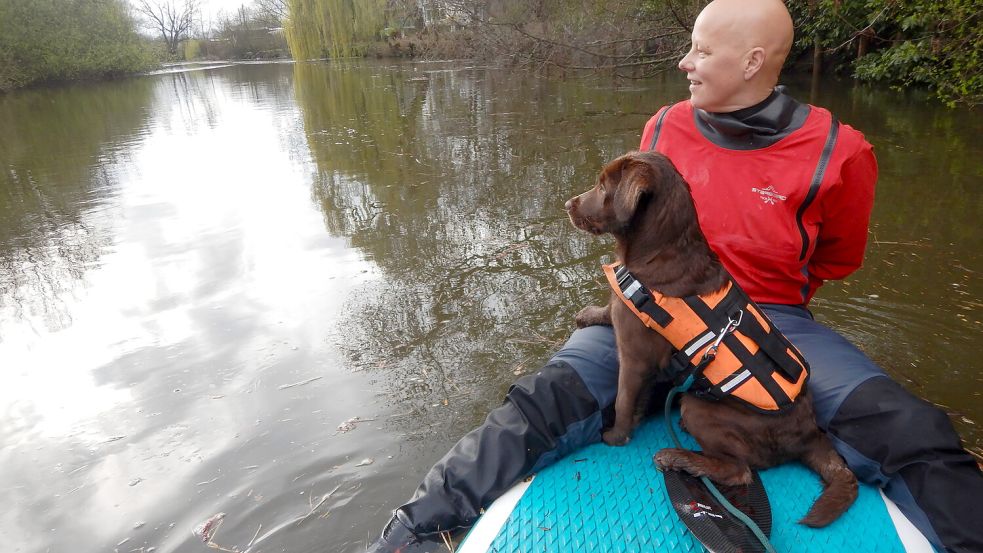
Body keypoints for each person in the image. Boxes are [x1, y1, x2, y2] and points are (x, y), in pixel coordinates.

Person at [370, 1, 983, 551]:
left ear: (751, 61)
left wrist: (743, 311)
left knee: (908, 428)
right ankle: (414, 531)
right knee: (543, 399)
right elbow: (636, 236)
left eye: (702, 50)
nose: (685, 62)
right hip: (652, 311)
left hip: (767, 321)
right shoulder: (665, 126)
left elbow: (838, 261)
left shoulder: (840, 151)